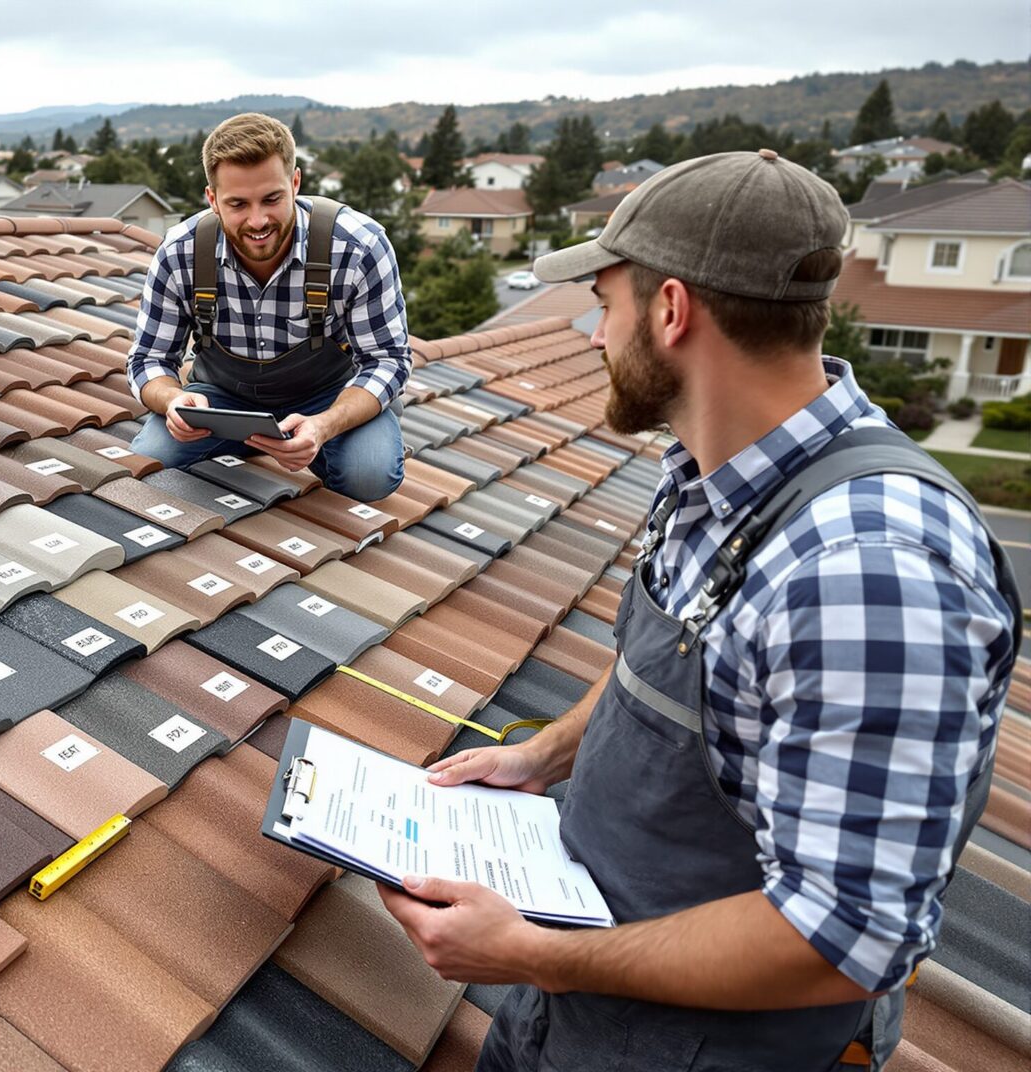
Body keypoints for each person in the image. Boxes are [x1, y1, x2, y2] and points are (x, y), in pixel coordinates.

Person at [376, 150, 1021, 1071]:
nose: (595, 338)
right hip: (582, 1017)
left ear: (671, 310)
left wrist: (535, 956)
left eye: (606, 304)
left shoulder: (868, 572)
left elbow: (843, 935)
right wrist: (544, 753)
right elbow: (684, 662)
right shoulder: (716, 478)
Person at [125, 112, 410, 501]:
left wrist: (324, 426)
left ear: (295, 183)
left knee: (369, 475)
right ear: (212, 199)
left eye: (272, 199)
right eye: (238, 204)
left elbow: (388, 360)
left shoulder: (358, 246)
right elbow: (148, 360)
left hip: (327, 398)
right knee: (149, 458)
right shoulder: (181, 252)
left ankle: (312, 441)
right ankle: (250, 438)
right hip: (221, 402)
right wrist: (174, 400)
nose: (257, 221)